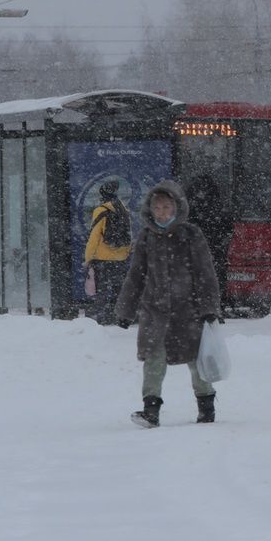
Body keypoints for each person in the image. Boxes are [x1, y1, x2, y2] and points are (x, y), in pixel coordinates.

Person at [115, 180, 221, 429]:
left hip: (189, 312)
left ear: (176, 207)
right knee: (154, 360)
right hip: (155, 313)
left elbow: (206, 273)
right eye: (157, 208)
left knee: (197, 362)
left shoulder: (191, 235)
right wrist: (125, 310)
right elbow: (136, 275)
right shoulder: (146, 237)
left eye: (166, 207)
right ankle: (150, 411)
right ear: (150, 210)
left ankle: (206, 407)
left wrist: (208, 308)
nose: (162, 212)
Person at [83, 180, 132, 326]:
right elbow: (129, 233)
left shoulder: (101, 210)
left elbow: (94, 236)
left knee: (102, 290)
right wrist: (125, 252)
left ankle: (97, 320)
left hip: (102, 258)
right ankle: (120, 319)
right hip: (121, 257)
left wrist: (88, 257)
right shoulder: (123, 209)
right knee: (119, 290)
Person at [186, 173, 234, 310]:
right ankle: (216, 306)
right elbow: (228, 227)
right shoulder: (218, 207)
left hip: (198, 249)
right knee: (216, 278)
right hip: (215, 249)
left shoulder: (190, 208)